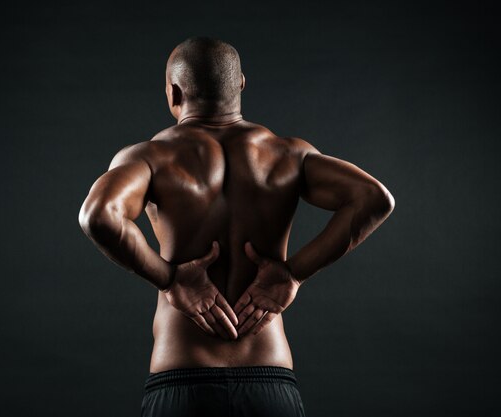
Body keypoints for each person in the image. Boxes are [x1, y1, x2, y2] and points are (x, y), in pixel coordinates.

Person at [78, 36, 395, 417]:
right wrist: (293, 274)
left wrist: (170, 279)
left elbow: (98, 215)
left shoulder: (152, 157)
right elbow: (374, 199)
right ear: (241, 83)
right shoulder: (288, 155)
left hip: (183, 381)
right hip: (270, 383)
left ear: (174, 92)